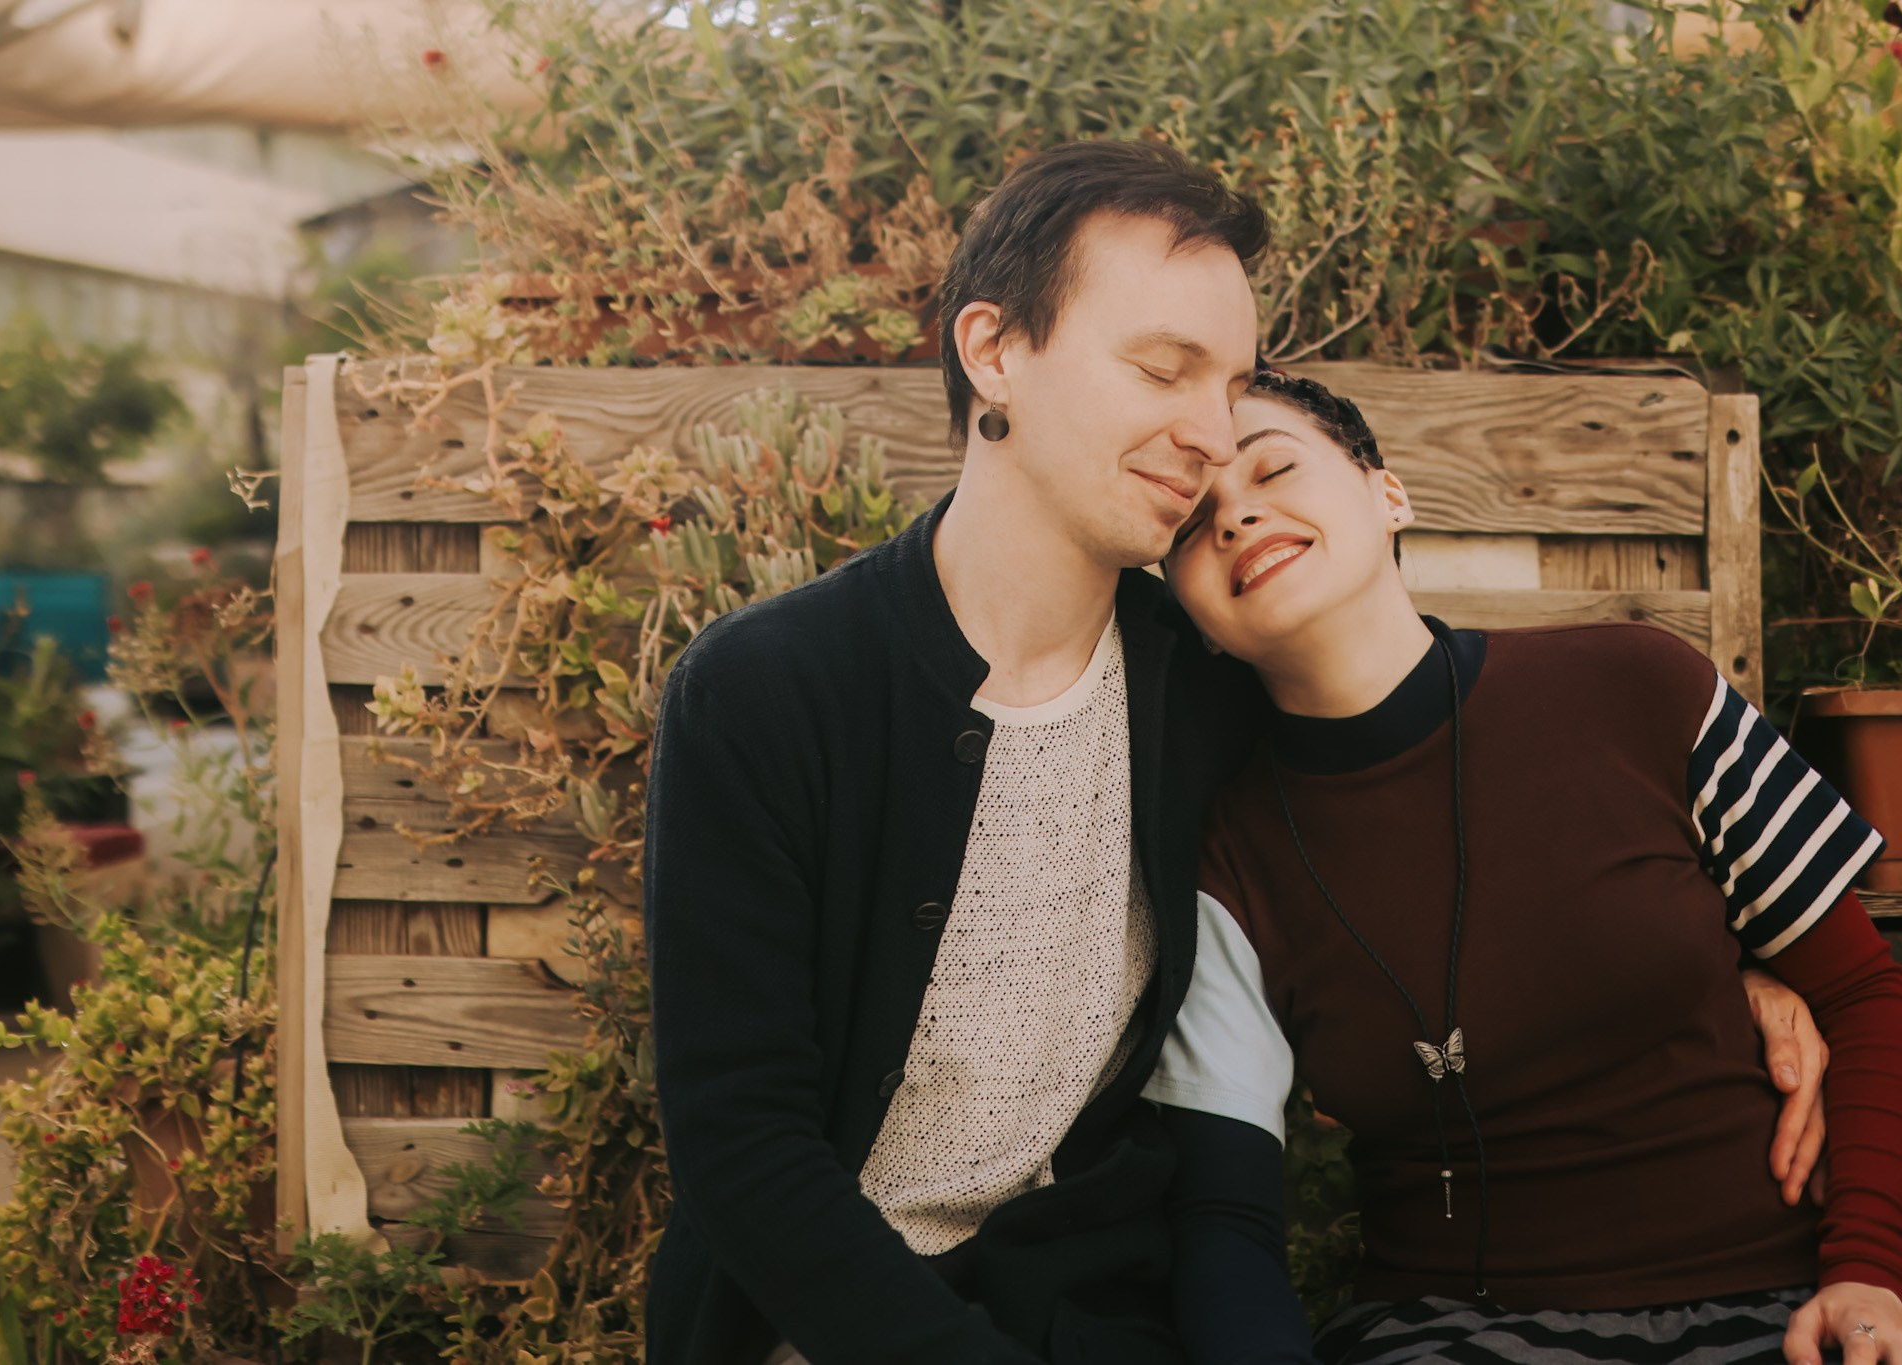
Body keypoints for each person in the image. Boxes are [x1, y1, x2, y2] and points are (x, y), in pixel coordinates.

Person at [642, 140, 1834, 1365]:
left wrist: (1725, 970)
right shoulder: (764, 694)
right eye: (1163, 370)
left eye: (1231, 387)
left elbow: (1420, 814)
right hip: (820, 1322)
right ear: (994, 350)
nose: (1211, 436)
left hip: (1092, 1307)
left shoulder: (1204, 692)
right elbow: (742, 1146)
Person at [1144, 370, 1902, 1365]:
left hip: (1774, 1300)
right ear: (1184, 605)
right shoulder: (1222, 854)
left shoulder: (1636, 686)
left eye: (1271, 468)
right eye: (1190, 522)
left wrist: (1865, 1274)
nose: (1238, 514)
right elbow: (1222, 1208)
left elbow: (1860, 989)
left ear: (1386, 494)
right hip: (1451, 1329)